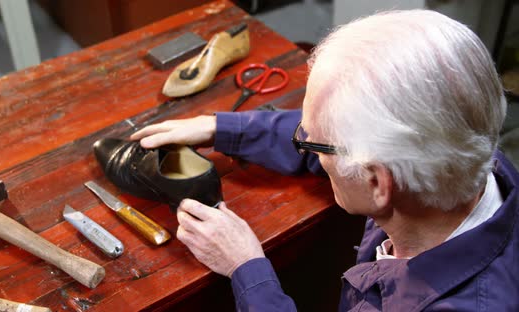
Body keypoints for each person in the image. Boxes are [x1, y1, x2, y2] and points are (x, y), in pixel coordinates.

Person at [130, 10, 519, 311]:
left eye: (312, 142)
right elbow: (348, 138)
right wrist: (221, 128)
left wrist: (247, 269)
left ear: (376, 184)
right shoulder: (457, 151)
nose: (303, 141)